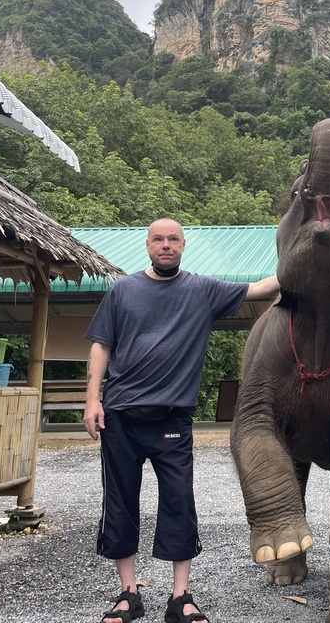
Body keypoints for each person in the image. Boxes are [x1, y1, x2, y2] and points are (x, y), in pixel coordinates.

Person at [83, 218, 279, 623]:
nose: (166, 245)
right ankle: (128, 593)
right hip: (120, 415)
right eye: (159, 239)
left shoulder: (201, 290)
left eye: (173, 239)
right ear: (148, 245)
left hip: (173, 417)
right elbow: (101, 345)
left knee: (179, 503)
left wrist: (302, 260)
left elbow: (260, 289)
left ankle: (181, 597)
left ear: (183, 245)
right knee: (120, 503)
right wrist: (91, 400)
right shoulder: (123, 289)